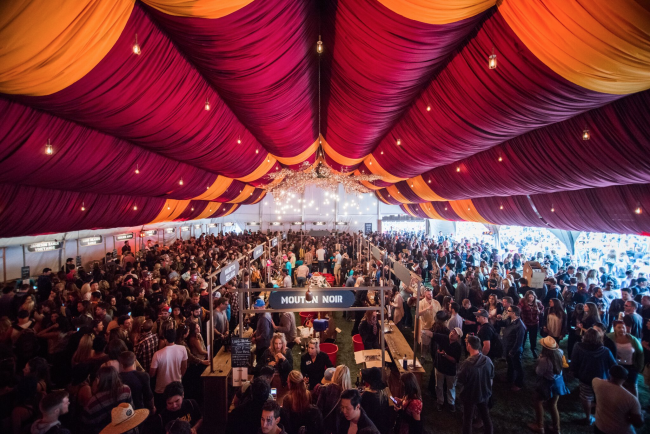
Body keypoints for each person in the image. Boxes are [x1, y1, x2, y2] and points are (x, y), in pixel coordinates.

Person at [570, 328, 616, 425]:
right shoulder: (605, 351)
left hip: (585, 377)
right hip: (601, 379)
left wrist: (573, 372)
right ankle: (602, 417)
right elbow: (613, 365)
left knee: (586, 397)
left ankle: (588, 417)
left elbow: (574, 362)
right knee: (601, 397)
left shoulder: (578, 347)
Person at [527, 337, 570, 434]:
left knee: (537, 401)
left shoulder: (544, 360)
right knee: (553, 405)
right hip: (558, 382)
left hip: (547, 383)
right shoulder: (560, 352)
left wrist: (539, 360)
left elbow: (539, 372)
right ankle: (556, 429)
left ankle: (539, 426)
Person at [457, 335, 494, 434]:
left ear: (469, 345)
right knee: (485, 416)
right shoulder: (488, 360)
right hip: (484, 393)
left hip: (470, 395)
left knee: (467, 419)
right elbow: (491, 376)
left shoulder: (467, 364)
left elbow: (461, 379)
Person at [593, 365, 644, 434]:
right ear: (626, 378)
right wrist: (642, 414)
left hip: (598, 427)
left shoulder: (596, 382)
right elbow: (638, 424)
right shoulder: (632, 399)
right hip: (618, 431)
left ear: (609, 373)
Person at [82, 367, 132, 434]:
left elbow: (87, 427)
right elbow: (130, 410)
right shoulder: (125, 390)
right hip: (125, 430)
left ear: (98, 380)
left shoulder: (92, 404)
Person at [150, 329, 188, 410]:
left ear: (165, 339)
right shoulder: (182, 349)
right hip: (177, 385)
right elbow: (184, 367)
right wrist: (180, 376)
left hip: (161, 389)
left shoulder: (157, 354)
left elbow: (152, 373)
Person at [608, 320, 644, 397]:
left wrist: (639, 368)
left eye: (623, 327)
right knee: (616, 386)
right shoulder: (609, 337)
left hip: (630, 367)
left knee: (633, 386)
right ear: (614, 328)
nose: (622, 329)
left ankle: (635, 405)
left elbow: (640, 353)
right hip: (616, 366)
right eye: (619, 327)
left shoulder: (633, 340)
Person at [430, 327, 462, 412]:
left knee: (450, 387)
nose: (452, 333)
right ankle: (440, 401)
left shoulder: (458, 347)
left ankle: (451, 403)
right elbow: (433, 335)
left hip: (450, 370)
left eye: (455, 333)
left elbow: (455, 360)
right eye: (452, 331)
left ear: (458, 337)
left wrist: (445, 355)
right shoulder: (444, 338)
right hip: (439, 367)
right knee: (438, 386)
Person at [502, 305, 526, 391]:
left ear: (514, 313)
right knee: (510, 365)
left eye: (508, 311)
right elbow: (503, 323)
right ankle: (510, 378)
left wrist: (512, 351)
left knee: (517, 366)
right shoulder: (510, 320)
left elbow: (519, 341)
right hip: (509, 347)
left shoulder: (520, 325)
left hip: (514, 350)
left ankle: (519, 384)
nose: (507, 312)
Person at [359, 367, 390, 434]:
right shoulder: (383, 394)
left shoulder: (367, 396)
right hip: (382, 428)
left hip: (371, 429)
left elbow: (362, 413)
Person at [519, 291, 544, 358]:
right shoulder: (522, 302)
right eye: (529, 297)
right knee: (523, 337)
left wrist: (539, 312)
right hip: (525, 322)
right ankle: (521, 350)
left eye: (532, 297)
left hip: (534, 323)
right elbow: (519, 310)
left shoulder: (538, 303)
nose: (531, 298)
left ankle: (533, 349)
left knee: (533, 337)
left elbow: (542, 308)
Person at [253, 298, 274, 364]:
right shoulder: (264, 314)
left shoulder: (264, 317)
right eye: (255, 308)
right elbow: (262, 328)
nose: (255, 310)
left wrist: (255, 339)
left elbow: (265, 334)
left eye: (257, 308)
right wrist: (256, 332)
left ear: (262, 307)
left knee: (261, 362)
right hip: (264, 344)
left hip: (263, 345)